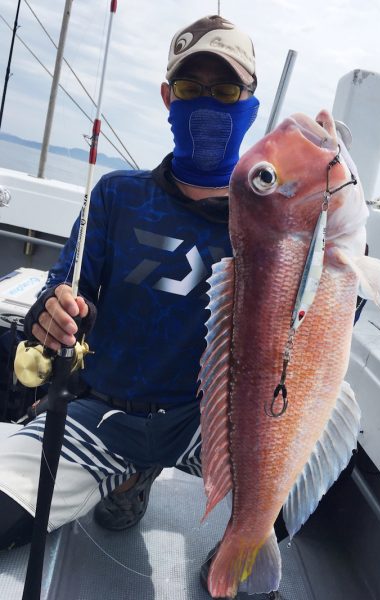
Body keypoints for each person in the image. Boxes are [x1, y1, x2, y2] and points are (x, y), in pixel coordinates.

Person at [0, 14, 284, 600]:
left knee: (272, 517)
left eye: (226, 90)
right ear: (166, 97)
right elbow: (60, 293)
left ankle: (173, 492)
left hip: (210, 425)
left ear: (251, 106)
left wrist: (341, 269)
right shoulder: (118, 195)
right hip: (103, 416)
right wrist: (53, 315)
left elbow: (313, 327)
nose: (207, 103)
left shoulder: (270, 223)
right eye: (190, 87)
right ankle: (127, 473)